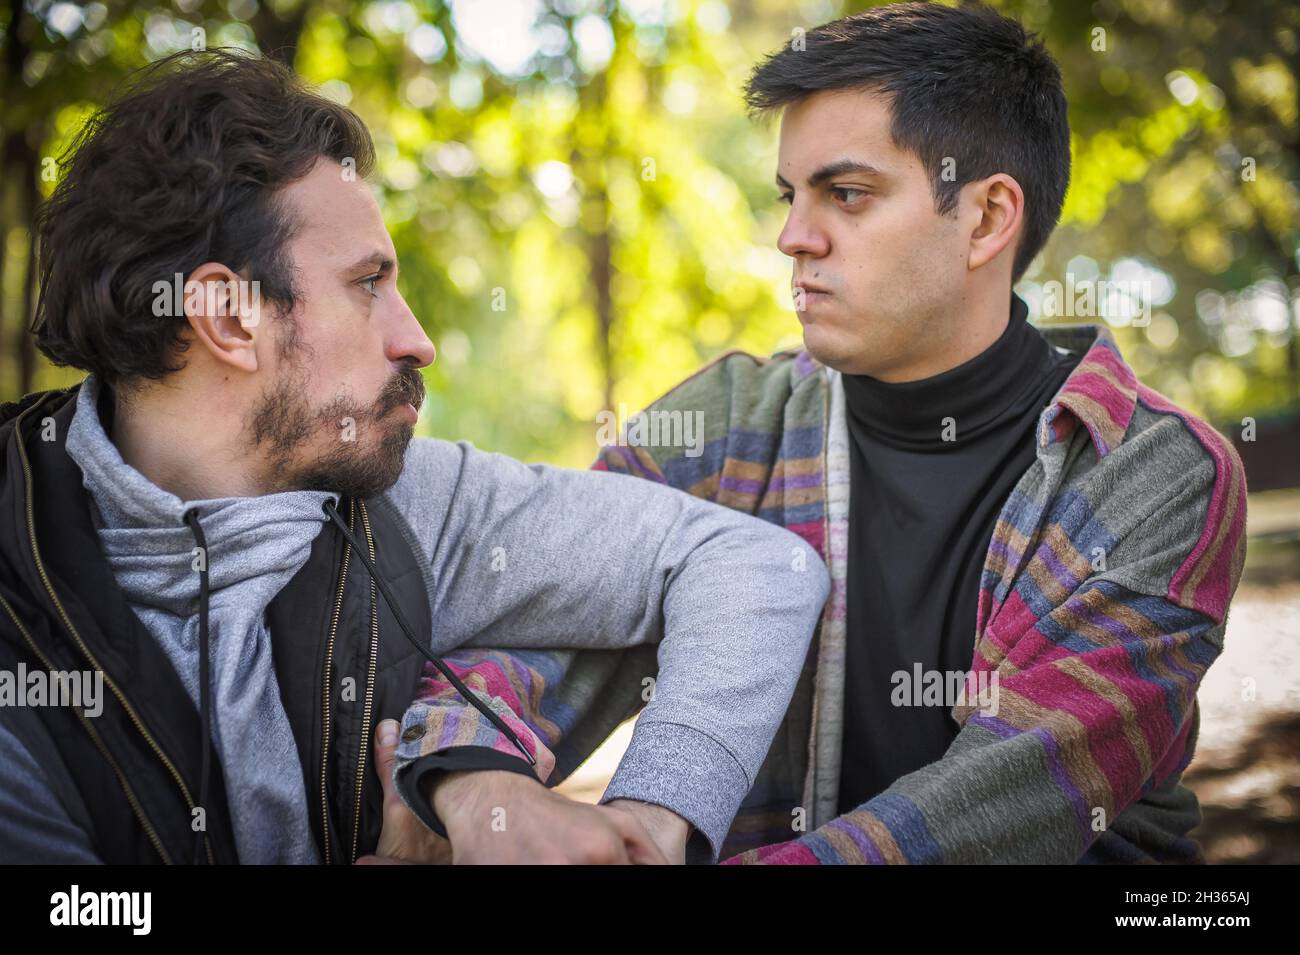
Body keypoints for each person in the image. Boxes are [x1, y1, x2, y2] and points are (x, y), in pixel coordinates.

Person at [420, 2, 1249, 864]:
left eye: (845, 194)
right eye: (790, 194)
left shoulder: (1157, 471)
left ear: (988, 217)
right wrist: (478, 783)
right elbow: (534, 632)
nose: (792, 237)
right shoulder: (726, 422)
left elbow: (1011, 802)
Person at [0, 49, 830, 865]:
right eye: (368, 284)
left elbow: (755, 565)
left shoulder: (406, 499)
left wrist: (649, 823)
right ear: (225, 314)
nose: (418, 340)